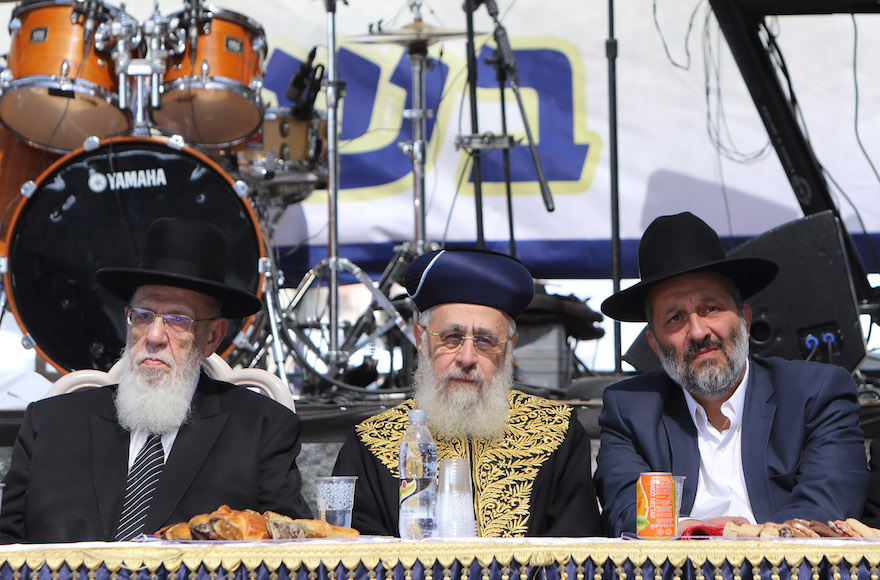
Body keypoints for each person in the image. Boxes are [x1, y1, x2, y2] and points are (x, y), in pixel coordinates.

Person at [0, 218, 311, 543]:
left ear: (212, 337)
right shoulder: (50, 424)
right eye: (143, 315)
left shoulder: (261, 428)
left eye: (178, 319)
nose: (154, 335)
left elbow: (291, 554)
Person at [594, 212, 868, 537]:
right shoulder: (630, 409)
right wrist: (700, 532)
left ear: (745, 319)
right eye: (675, 318)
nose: (697, 331)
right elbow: (626, 512)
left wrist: (751, 541)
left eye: (710, 309)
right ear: (654, 344)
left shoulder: (817, 393)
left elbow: (827, 505)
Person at [332, 249, 602, 537]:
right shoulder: (371, 442)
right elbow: (356, 559)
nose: (467, 358)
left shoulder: (557, 432)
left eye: (485, 341)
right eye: (452, 337)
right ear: (421, 339)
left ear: (509, 347)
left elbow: (576, 555)